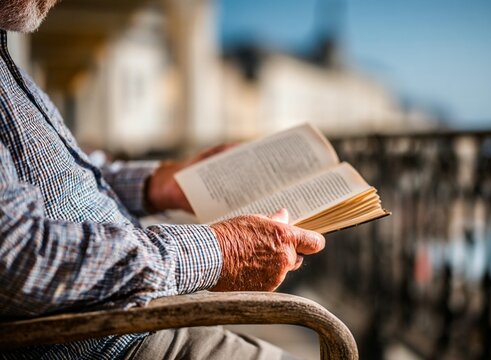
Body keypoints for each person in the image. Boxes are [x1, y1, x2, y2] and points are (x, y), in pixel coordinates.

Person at [0, 0, 325, 359]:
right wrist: (220, 251)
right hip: (113, 340)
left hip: (136, 318)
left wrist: (158, 184)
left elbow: (55, 177)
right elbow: (15, 259)